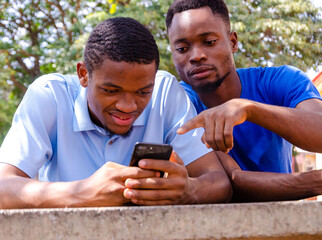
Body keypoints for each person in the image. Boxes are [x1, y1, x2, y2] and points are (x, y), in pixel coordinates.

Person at [0, 17, 232, 209]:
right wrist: (81, 193)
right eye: (111, 90)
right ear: (84, 74)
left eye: (143, 91)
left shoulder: (165, 92)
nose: (128, 106)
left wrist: (189, 190)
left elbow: (219, 181)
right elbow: (3, 186)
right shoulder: (49, 95)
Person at [165, 0, 322, 201]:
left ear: (233, 42)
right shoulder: (176, 102)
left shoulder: (282, 80)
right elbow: (233, 183)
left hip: (285, 221)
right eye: (182, 48)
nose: (197, 56)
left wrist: (249, 109)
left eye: (209, 42)